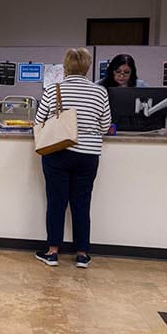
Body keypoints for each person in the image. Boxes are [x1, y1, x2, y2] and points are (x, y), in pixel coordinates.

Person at [34, 48, 112, 269]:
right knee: (82, 203)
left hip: (57, 152)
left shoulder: (53, 89)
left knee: (56, 202)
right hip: (88, 155)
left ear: (65, 66)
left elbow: (39, 120)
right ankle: (82, 254)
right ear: (87, 67)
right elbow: (105, 126)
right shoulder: (100, 92)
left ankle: (52, 252)